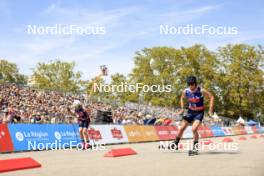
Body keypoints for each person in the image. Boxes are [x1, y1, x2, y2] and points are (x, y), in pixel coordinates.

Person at [170, 76, 214, 155]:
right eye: (189, 85)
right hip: (190, 111)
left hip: (199, 113)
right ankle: (176, 143)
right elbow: (182, 98)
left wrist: (210, 110)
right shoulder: (186, 91)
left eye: (192, 85)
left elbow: (211, 97)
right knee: (182, 128)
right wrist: (182, 108)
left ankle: (195, 149)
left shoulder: (201, 90)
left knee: (194, 129)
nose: (190, 86)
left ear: (195, 84)